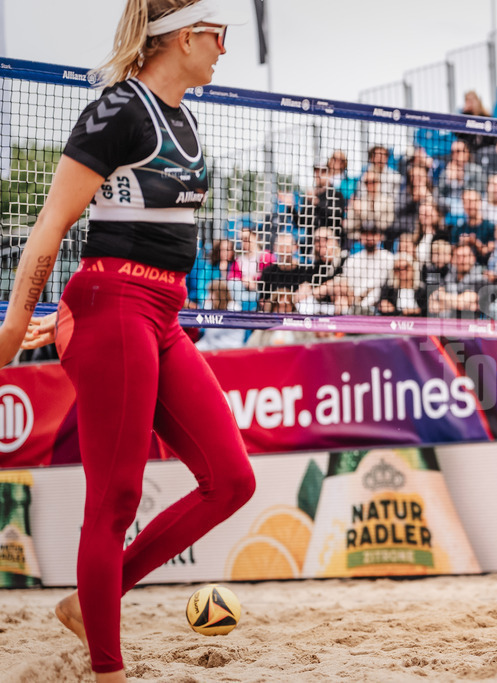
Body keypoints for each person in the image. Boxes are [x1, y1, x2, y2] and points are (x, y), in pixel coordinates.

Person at [0, 2, 255, 680]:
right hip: (112, 303)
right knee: (115, 495)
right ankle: (108, 669)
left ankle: (94, 599)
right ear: (185, 36)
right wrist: (14, 327)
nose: (224, 49)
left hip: (161, 312)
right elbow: (50, 227)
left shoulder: (183, 118)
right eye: (219, 35)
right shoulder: (118, 111)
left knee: (231, 479)